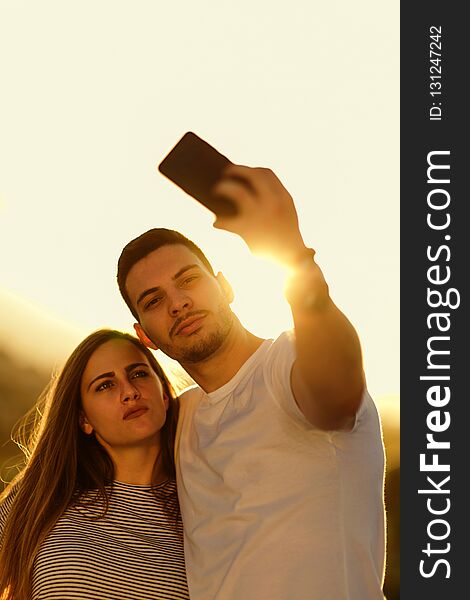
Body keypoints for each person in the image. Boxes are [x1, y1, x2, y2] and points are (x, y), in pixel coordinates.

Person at [117, 165, 386, 599]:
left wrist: (291, 252)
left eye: (188, 280)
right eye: (154, 300)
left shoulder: (291, 363)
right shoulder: (178, 418)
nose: (178, 302)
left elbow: (337, 391)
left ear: (225, 287)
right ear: (145, 335)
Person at [0, 329, 189, 600]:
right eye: (105, 385)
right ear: (83, 420)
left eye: (138, 374)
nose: (129, 392)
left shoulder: (199, 505)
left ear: (164, 394)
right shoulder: (42, 496)